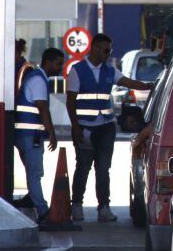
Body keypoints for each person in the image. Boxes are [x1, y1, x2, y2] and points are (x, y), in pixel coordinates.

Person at [66, 33, 153, 223]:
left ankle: (104, 207)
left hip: (105, 127)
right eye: (106, 50)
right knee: (83, 167)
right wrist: (76, 128)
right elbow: (70, 102)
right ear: (95, 48)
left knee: (103, 168)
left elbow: (129, 82)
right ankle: (77, 206)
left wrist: (150, 86)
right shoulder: (77, 71)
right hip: (85, 128)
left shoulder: (109, 70)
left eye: (109, 50)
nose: (108, 53)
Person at [13, 48, 64, 222]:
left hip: (26, 134)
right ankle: (42, 210)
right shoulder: (38, 80)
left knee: (32, 171)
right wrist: (52, 133)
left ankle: (31, 199)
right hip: (30, 134)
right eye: (58, 63)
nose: (60, 67)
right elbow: (42, 108)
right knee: (35, 173)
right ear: (48, 62)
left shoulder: (36, 77)